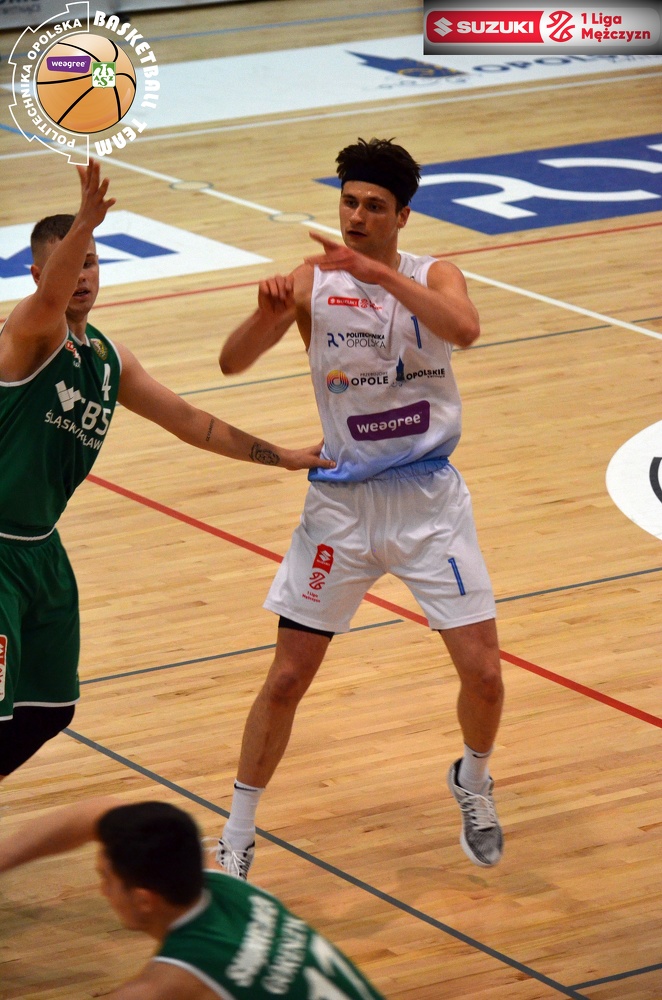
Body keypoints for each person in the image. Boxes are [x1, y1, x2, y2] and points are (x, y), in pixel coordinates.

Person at [216, 137, 504, 876]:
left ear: (402, 216)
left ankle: (472, 778)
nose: (356, 216)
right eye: (349, 202)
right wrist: (263, 314)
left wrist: (379, 275)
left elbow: (466, 330)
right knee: (287, 679)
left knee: (485, 676)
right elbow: (232, 361)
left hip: (428, 504)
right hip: (340, 510)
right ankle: (237, 835)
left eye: (375, 206)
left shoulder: (434, 274)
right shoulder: (311, 281)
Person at [0, 160, 333, 783]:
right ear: (40, 275)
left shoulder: (108, 357)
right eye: (71, 265)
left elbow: (190, 422)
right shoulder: (25, 334)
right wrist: (86, 222)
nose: (82, 277)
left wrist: (283, 455)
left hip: (41, 552)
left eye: (92, 263)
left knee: (50, 709)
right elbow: (49, 301)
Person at [0, 796, 386, 999]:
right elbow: (101, 812)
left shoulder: (171, 983)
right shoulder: (222, 883)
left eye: (106, 878)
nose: (100, 891)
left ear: (144, 900)